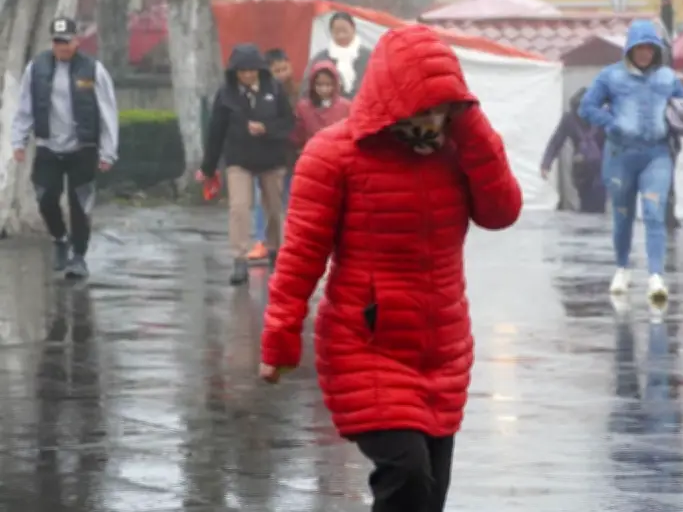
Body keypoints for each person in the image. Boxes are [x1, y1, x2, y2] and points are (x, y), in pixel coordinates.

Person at [259, 25, 522, 512]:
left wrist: (473, 128)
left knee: (429, 496)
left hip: (442, 349)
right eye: (423, 104)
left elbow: (501, 211)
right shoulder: (334, 155)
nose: (432, 117)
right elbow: (300, 257)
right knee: (407, 478)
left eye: (443, 105)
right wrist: (280, 336)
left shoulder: (456, 150)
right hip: (367, 347)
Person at [579, 19, 683, 300]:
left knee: (654, 213)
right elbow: (587, 106)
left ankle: (656, 276)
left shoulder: (668, 78)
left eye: (649, 48)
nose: (644, 53)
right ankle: (622, 267)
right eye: (639, 48)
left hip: (657, 154)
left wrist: (679, 121)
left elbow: (682, 106)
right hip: (620, 155)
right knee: (622, 214)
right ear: (630, 49)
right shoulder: (610, 77)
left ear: (656, 49)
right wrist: (610, 122)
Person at [10, 16, 119, 279]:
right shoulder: (37, 68)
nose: (63, 47)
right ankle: (60, 238)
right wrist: (19, 140)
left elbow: (108, 111)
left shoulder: (93, 69)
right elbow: (25, 106)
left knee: (80, 205)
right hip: (48, 147)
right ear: (52, 43)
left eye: (67, 42)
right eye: (58, 42)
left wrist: (108, 151)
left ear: (77, 41)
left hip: (83, 148)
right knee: (45, 198)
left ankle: (78, 257)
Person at [200, 43, 295, 284]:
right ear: (235, 72)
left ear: (259, 69)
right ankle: (240, 260)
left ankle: (275, 250)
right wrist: (208, 168)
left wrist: (267, 129)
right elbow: (215, 131)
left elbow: (288, 123)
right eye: (242, 71)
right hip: (239, 159)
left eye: (252, 70)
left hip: (271, 158)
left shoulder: (274, 88)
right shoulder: (226, 94)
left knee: (274, 207)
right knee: (239, 208)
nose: (247, 75)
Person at [249, 48, 298, 262]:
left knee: (290, 201)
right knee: (264, 201)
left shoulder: (298, 92)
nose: (281, 74)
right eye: (276, 70)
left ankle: (287, 241)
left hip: (293, 157)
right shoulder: (260, 94)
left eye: (284, 68)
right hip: (267, 156)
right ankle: (262, 240)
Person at [540, 87, 606, 213]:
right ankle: (589, 226)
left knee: (596, 203)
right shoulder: (570, 119)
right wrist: (546, 164)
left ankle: (592, 226)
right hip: (583, 169)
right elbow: (556, 141)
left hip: (597, 168)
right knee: (587, 203)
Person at [302, 11, 371, 99]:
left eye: (344, 30)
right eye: (337, 31)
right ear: (331, 32)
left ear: (353, 29)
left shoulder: (369, 56)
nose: (341, 35)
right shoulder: (320, 59)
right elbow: (307, 89)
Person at [292, 60, 351, 150]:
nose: (324, 89)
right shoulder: (303, 107)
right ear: (312, 84)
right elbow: (298, 135)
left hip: (338, 154)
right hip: (313, 154)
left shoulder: (346, 106)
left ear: (335, 84)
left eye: (328, 85)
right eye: (319, 85)